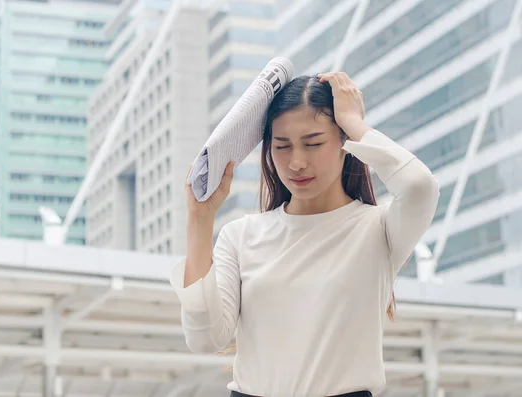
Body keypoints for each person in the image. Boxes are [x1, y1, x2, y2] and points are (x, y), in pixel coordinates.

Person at [169, 72, 440, 397]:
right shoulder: (241, 235)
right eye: (282, 146)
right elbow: (204, 339)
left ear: (344, 143)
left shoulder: (378, 229)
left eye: (313, 144)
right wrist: (200, 219)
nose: (296, 162)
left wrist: (353, 120)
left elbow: (419, 186)